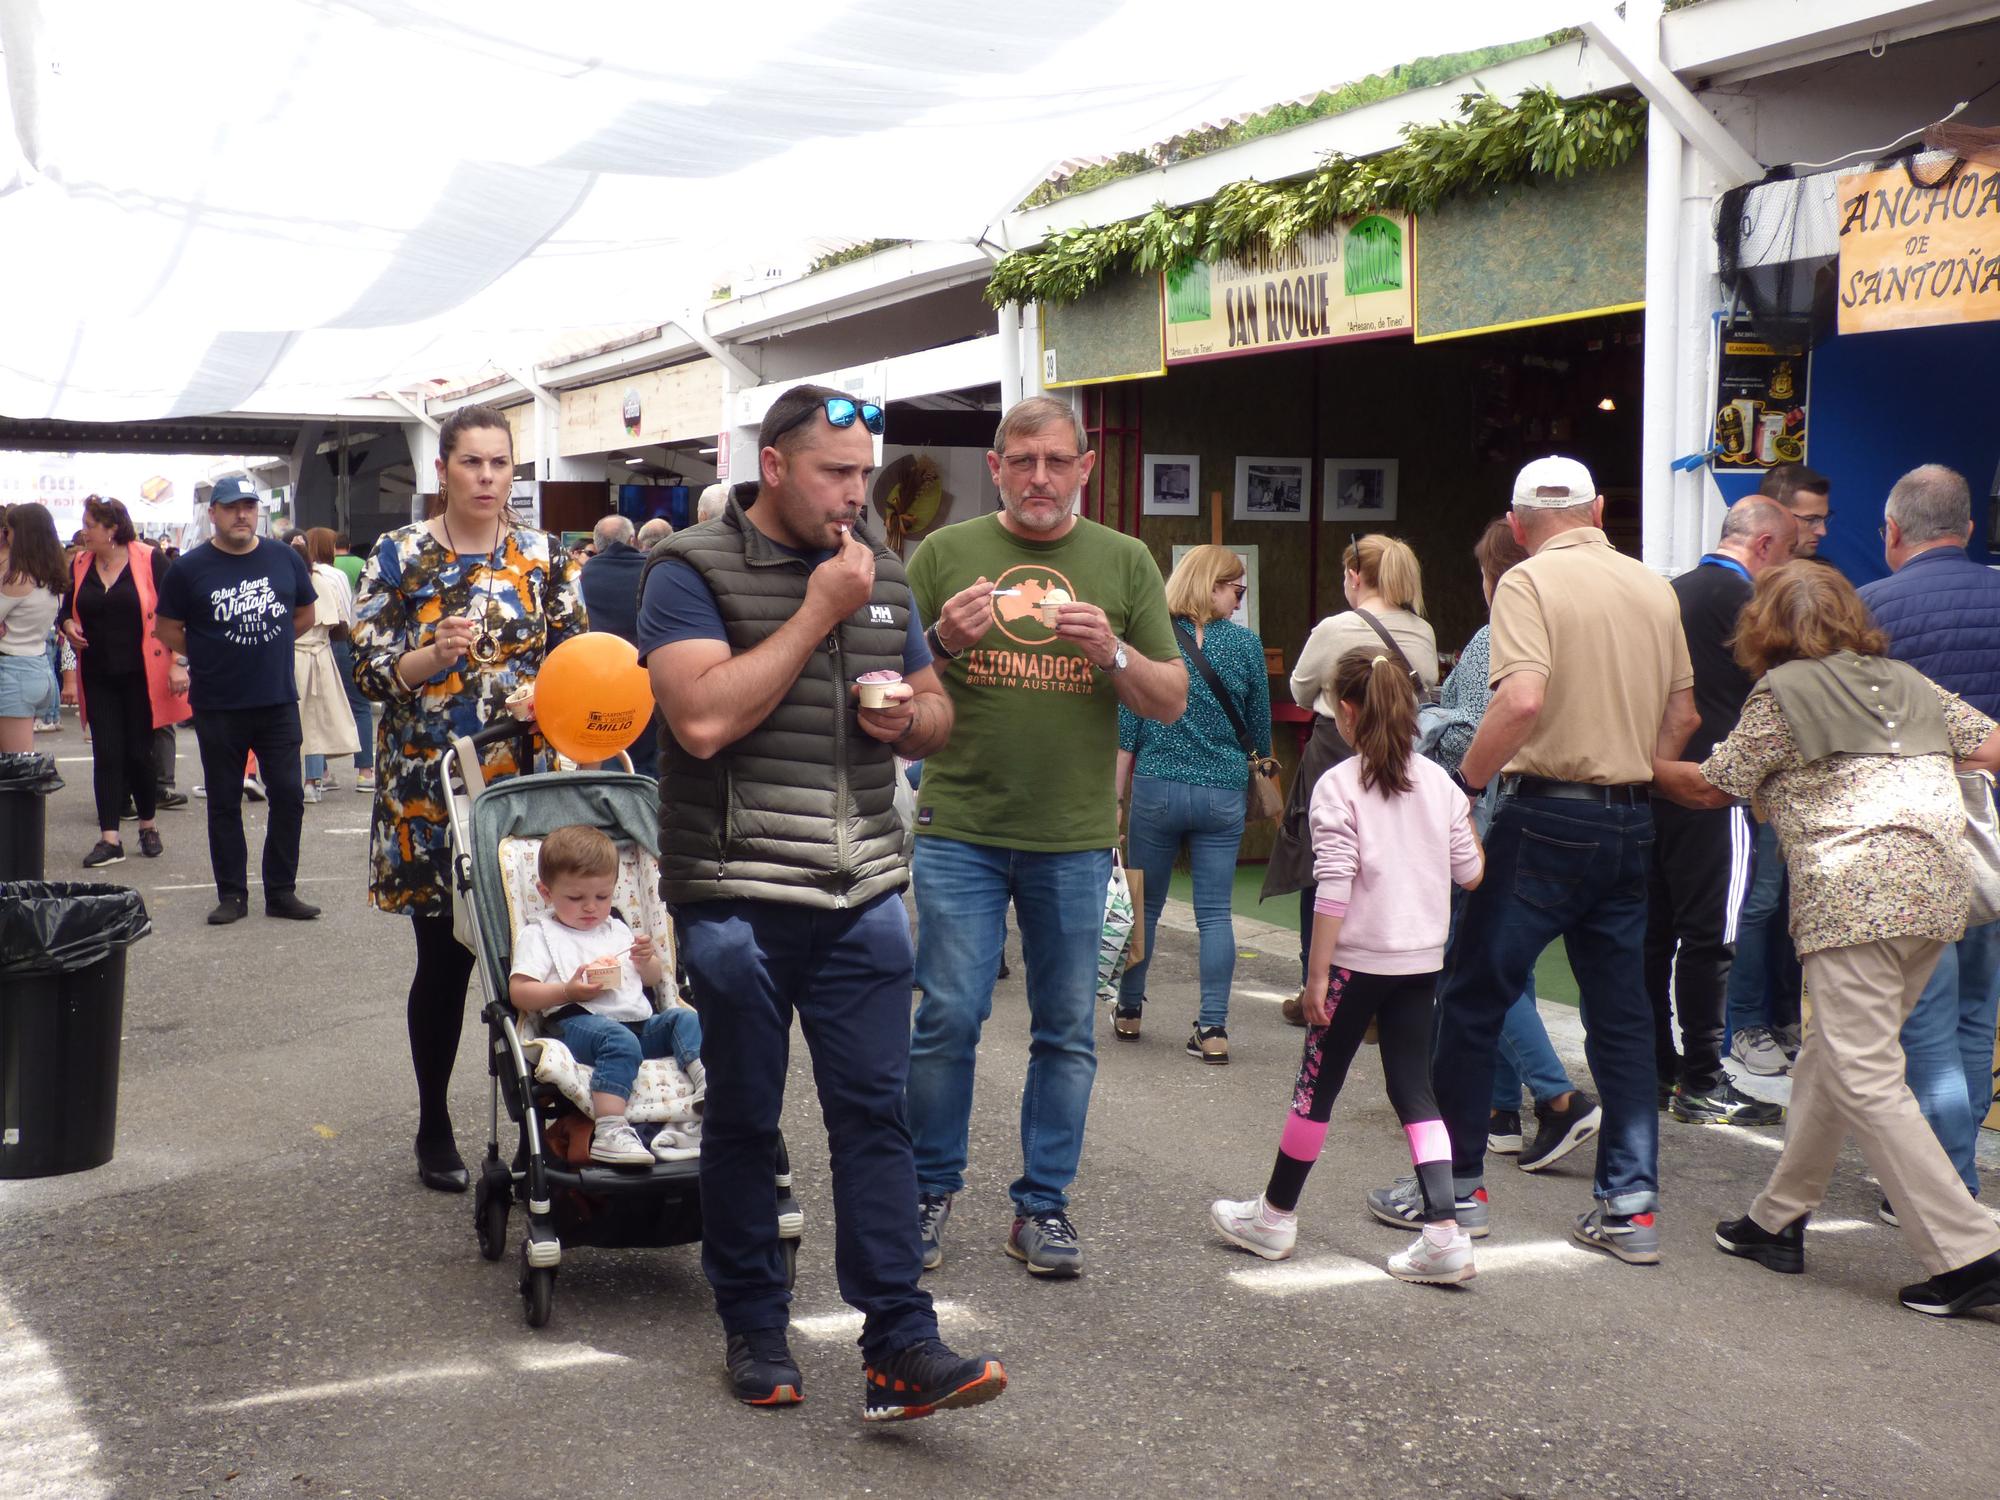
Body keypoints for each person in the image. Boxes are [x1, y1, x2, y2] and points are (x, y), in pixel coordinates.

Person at [641, 382, 1002, 1419]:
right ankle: (755, 1328)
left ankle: (900, 1340)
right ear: (774, 467)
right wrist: (815, 612)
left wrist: (911, 724)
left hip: (865, 888)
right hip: (735, 893)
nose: (855, 495)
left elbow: (935, 708)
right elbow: (701, 721)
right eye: (833, 474)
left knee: (873, 1119)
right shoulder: (688, 569)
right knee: (748, 1118)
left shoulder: (880, 572)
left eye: (862, 475)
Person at [1372, 456, 1696, 1266]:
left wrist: (1465, 781)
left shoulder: (1525, 584)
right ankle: (1630, 1205)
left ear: (1517, 526)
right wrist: (1632, 758)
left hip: (1545, 809)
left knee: (1473, 996)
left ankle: (1456, 1191)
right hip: (1629, 816)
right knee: (1621, 1017)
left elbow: (1519, 698)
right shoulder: (1654, 587)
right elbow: (1683, 711)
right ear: (1599, 510)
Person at [1654, 561, 2000, 1316]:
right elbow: (1992, 746)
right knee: (1834, 1056)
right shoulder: (1906, 679)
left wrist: (1641, 765)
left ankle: (1969, 1253)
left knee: (1866, 1070)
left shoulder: (1782, 691)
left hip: (1854, 893)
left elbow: (1716, 785)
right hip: (1938, 888)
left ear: (1763, 626)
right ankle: (1776, 1220)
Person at [904, 394, 1186, 1280]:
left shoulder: (1124, 560)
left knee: (1066, 1029)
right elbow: (885, 690)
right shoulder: (945, 555)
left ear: (1085, 467)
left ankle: (1042, 1208)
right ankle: (926, 1190)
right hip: (961, 827)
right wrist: (942, 644)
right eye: (1021, 461)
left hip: (1073, 837)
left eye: (1056, 461)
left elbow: (1169, 698)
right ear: (995, 466)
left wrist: (1114, 654)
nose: (1038, 478)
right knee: (948, 1016)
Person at [351, 405, 586, 1194]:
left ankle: (545, 1120)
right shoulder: (400, 555)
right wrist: (426, 656)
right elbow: (370, 675)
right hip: (432, 787)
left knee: (538, 954)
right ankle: (433, 1122)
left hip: (526, 784)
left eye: (500, 463)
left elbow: (578, 659)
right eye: (472, 463)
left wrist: (544, 699)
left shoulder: (545, 556)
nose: (487, 477)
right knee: (444, 960)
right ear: (443, 470)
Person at [1211, 648, 1485, 1282]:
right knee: (1415, 1091)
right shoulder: (1440, 784)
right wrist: (1462, 826)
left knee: (1317, 1088)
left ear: (1351, 712)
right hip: (1419, 964)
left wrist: (1315, 978)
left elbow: (1333, 886)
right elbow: (1470, 872)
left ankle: (1275, 1215)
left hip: (1353, 966)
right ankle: (1445, 1229)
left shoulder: (1339, 785)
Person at [1426, 518, 1601, 1171]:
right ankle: (1498, 1107)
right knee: (1513, 966)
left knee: (1473, 964)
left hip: (1487, 817)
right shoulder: (1568, 637)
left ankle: (1558, 1098)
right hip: (1552, 810)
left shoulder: (1487, 642)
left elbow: (1462, 732)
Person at [1859, 464, 2000, 1210]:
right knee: (1979, 1008)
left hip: (1915, 837)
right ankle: (1957, 1161)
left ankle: (1942, 1180)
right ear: (1969, 530)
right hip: (1996, 840)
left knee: (1925, 1015)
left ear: (1891, 532)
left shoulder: (1869, 609)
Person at [1644, 498, 1796, 1126]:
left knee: (1651, 938)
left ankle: (1656, 1070)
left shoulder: (1666, 595)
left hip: (1652, 786)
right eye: (1787, 552)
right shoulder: (1757, 609)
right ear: (1763, 546)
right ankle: (1703, 1080)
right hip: (1719, 791)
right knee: (1712, 940)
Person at [1270, 534, 1437, 1025]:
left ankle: (1315, 990)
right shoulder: (1422, 632)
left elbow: (1301, 690)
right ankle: (1382, 1000)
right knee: (1389, 867)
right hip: (1400, 755)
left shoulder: (1335, 627)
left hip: (1335, 750)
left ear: (1354, 576)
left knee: (1322, 868)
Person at [1111, 544, 1268, 1060]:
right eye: (1235, 589)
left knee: (1146, 906)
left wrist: (1115, 799)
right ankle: (1214, 1027)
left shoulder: (1153, 644)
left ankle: (1130, 1011)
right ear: (1213, 585)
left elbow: (1128, 729)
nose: (1239, 600)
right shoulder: (1246, 647)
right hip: (1222, 790)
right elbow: (1260, 735)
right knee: (1216, 915)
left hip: (1157, 786)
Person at [155, 477, 318, 922]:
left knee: (288, 795)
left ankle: (281, 891)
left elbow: (305, 613)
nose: (242, 514)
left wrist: (272, 644)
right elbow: (167, 627)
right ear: (214, 513)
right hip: (218, 703)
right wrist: (208, 651)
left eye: (249, 506)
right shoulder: (189, 568)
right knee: (225, 800)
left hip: (276, 700)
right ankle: (232, 894)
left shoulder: (284, 557)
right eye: (231, 507)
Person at [507, 824, 702, 1166]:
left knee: (684, 1020)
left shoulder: (617, 928)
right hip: (578, 1022)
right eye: (576, 898)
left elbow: (653, 980)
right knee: (618, 1041)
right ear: (546, 892)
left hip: (638, 1022)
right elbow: (520, 992)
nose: (591, 908)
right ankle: (611, 1128)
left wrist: (647, 962)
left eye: (602, 897)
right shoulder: (540, 934)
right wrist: (568, 989)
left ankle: (707, 1084)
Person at [62, 496, 189, 866]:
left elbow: (177, 611)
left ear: (112, 528)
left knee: (139, 753)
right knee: (106, 753)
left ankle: (148, 825)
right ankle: (109, 838)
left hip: (141, 674)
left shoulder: (149, 559)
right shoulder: (82, 563)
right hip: (98, 673)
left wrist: (179, 661)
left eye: (89, 524)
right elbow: (66, 609)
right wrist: (68, 626)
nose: (84, 531)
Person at [298, 528, 361, 803]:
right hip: (325, 651)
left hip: (294, 655)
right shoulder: (333, 576)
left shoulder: (283, 579)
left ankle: (304, 779)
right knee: (319, 716)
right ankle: (319, 779)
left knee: (295, 720)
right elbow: (342, 619)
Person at [0, 503, 68, 751]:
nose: (7, 535)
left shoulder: (19, 578)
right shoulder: (52, 575)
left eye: (9, 529)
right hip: (36, 664)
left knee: (17, 765)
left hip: (12, 667)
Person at [579, 515, 645, 647]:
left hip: (595, 653)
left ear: (596, 543)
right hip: (639, 656)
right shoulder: (649, 569)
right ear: (632, 540)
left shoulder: (583, 573)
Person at [1758, 463, 1831, 561]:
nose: (1822, 531)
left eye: (1824, 519)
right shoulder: (1739, 573)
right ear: (1774, 517)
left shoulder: (1825, 574)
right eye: (1811, 519)